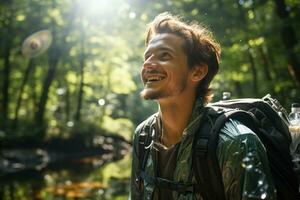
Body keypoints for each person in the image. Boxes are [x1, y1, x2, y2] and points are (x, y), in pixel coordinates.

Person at [130, 12, 276, 200]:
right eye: (147, 56)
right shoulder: (142, 136)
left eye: (164, 55)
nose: (148, 64)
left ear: (197, 72)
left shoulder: (237, 144)